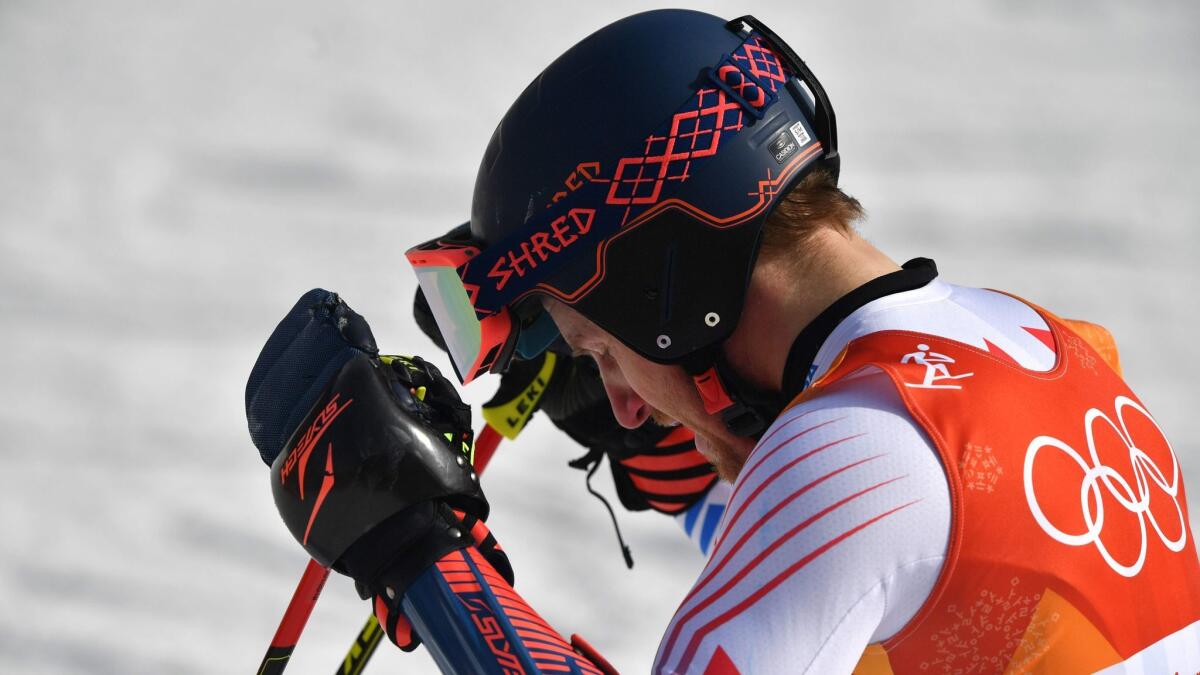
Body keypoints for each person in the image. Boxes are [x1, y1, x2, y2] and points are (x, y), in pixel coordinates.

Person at [248, 9, 1200, 674]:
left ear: (666, 283)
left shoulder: (854, 457)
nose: (620, 403)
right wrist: (698, 470)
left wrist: (420, 555)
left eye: (604, 351)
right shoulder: (1035, 340)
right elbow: (870, 572)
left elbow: (840, 512)